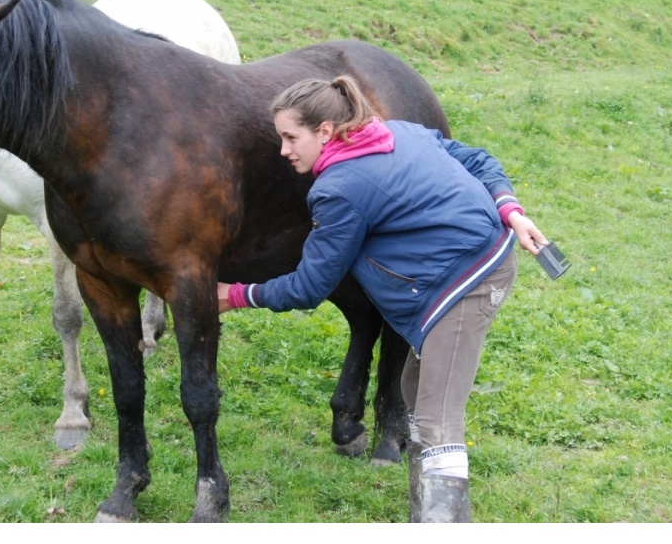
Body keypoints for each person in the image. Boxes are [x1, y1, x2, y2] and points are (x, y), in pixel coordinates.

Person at [217, 75, 549, 523]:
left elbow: (309, 286)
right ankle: (424, 515)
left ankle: (442, 524)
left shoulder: (339, 189)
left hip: (468, 283)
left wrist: (235, 295)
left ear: (325, 132)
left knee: (437, 420)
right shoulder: (398, 131)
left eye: (290, 137)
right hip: (458, 272)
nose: (283, 150)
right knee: (414, 391)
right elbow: (477, 158)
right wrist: (508, 208)